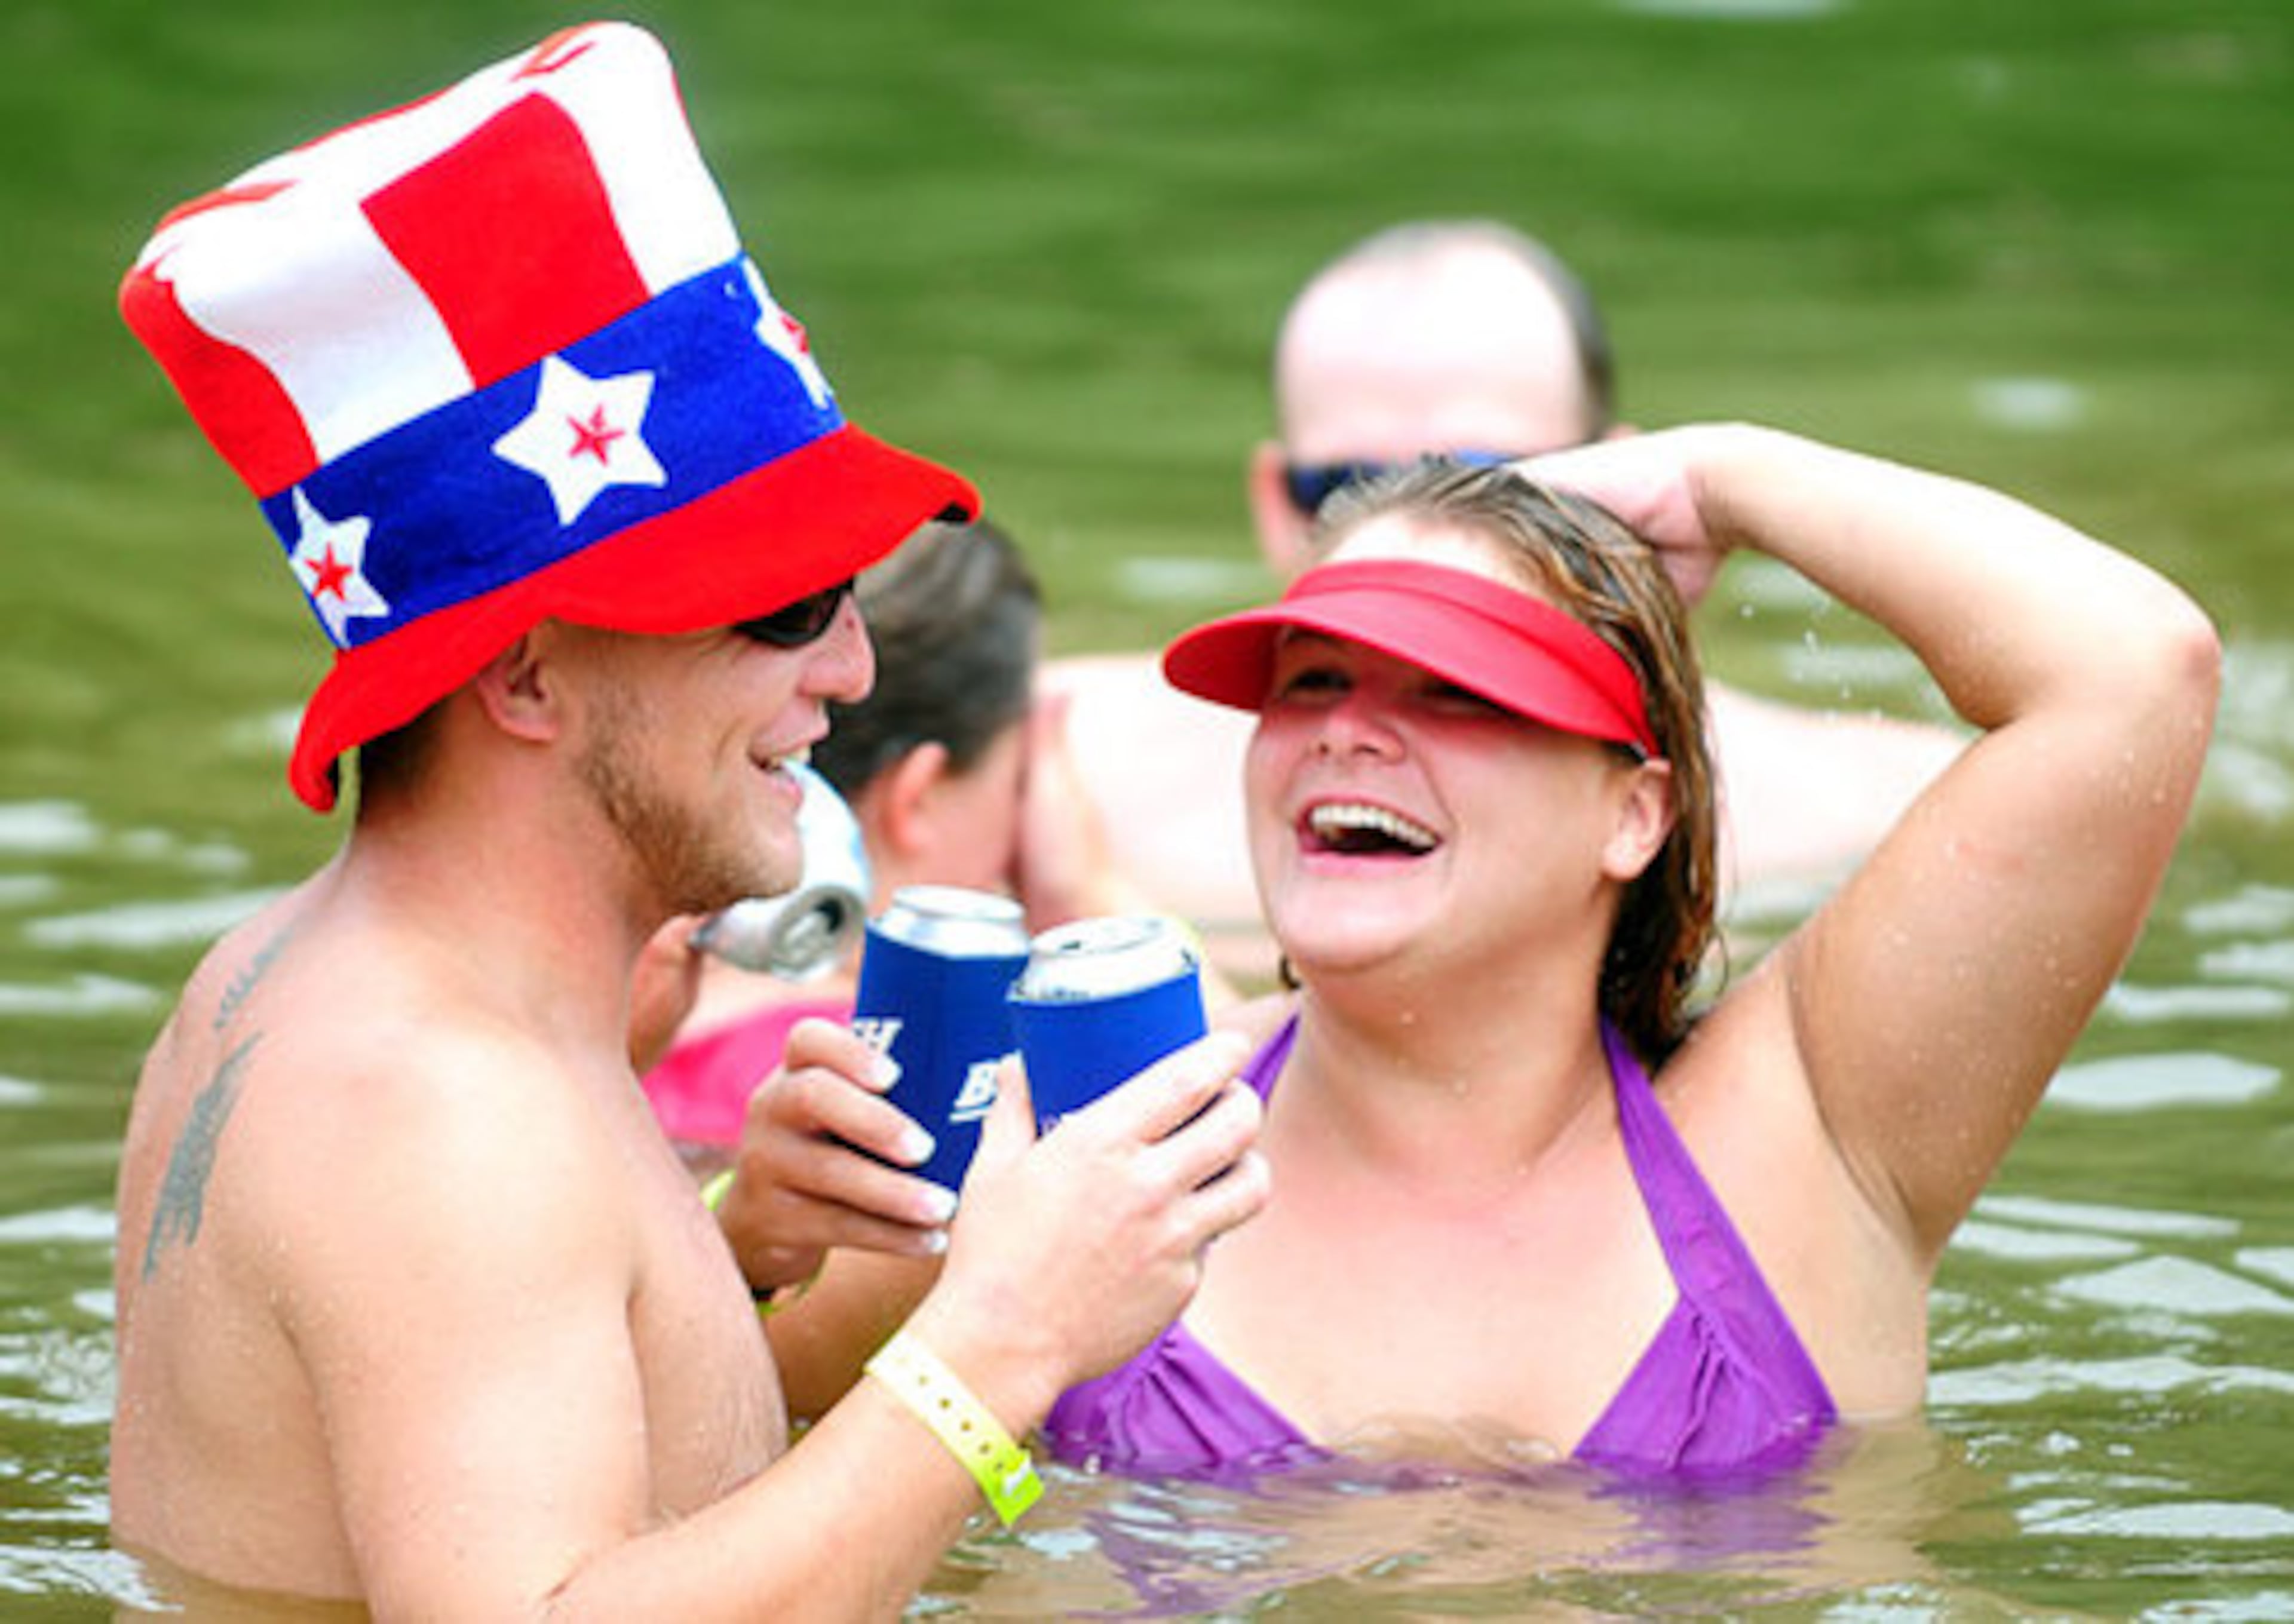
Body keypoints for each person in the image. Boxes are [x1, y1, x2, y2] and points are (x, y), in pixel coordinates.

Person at [107, 24, 1265, 1616]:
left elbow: (536, 1468)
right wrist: (1008, 1333)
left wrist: (754, 1254)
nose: (852, 670)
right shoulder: (439, 1102)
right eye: (782, 607)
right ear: (522, 674)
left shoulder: (326, 983)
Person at [753, 426, 2218, 1479]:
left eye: (1456, 689)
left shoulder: (1815, 1128)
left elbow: (2129, 672)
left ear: (1631, 810)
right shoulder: (1075, 1138)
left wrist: (1719, 475)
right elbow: (676, 1483)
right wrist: (747, 1241)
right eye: (1312, 675)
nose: (1346, 725)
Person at [1048, 221, 1965, 983]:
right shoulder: (1049, 759)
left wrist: (1727, 477)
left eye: (1491, 482)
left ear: (1621, 480)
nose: (1417, 530)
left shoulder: (1873, 802)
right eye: (1351, 485)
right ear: (1273, 504)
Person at [636, 514, 1170, 1153]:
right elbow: (1275, 1141)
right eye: (1022, 775)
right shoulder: (935, 1078)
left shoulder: (631, 1014)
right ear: (917, 797)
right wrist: (1089, 898)